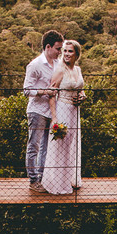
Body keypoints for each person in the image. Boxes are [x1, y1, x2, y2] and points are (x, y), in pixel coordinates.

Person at [42, 40, 86, 195]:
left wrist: (82, 96)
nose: (66, 54)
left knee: (72, 144)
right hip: (62, 109)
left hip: (75, 111)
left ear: (77, 54)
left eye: (70, 51)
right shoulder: (59, 70)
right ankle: (58, 183)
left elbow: (80, 89)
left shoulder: (78, 70)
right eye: (65, 51)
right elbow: (51, 94)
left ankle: (71, 179)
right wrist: (54, 118)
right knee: (61, 144)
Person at [22, 30, 63, 191]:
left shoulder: (58, 64)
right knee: (34, 146)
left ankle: (42, 178)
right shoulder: (35, 65)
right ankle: (33, 180)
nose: (60, 52)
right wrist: (45, 91)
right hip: (37, 110)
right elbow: (27, 90)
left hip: (52, 111)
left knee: (47, 146)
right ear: (48, 46)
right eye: (58, 48)